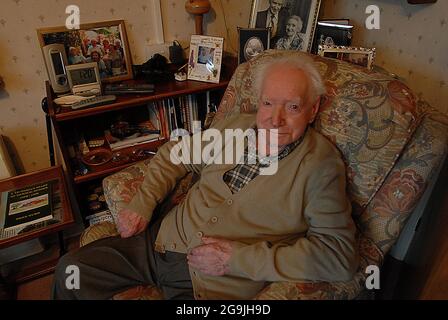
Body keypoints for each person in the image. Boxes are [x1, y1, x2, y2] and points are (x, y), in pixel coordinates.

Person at [52, 54, 358, 300]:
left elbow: (338, 257)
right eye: (268, 103)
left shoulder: (321, 166)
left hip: (213, 281)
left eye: (292, 107)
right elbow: (176, 153)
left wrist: (237, 260)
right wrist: (142, 204)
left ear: (313, 109)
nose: (275, 120)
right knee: (70, 271)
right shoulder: (235, 126)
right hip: (159, 241)